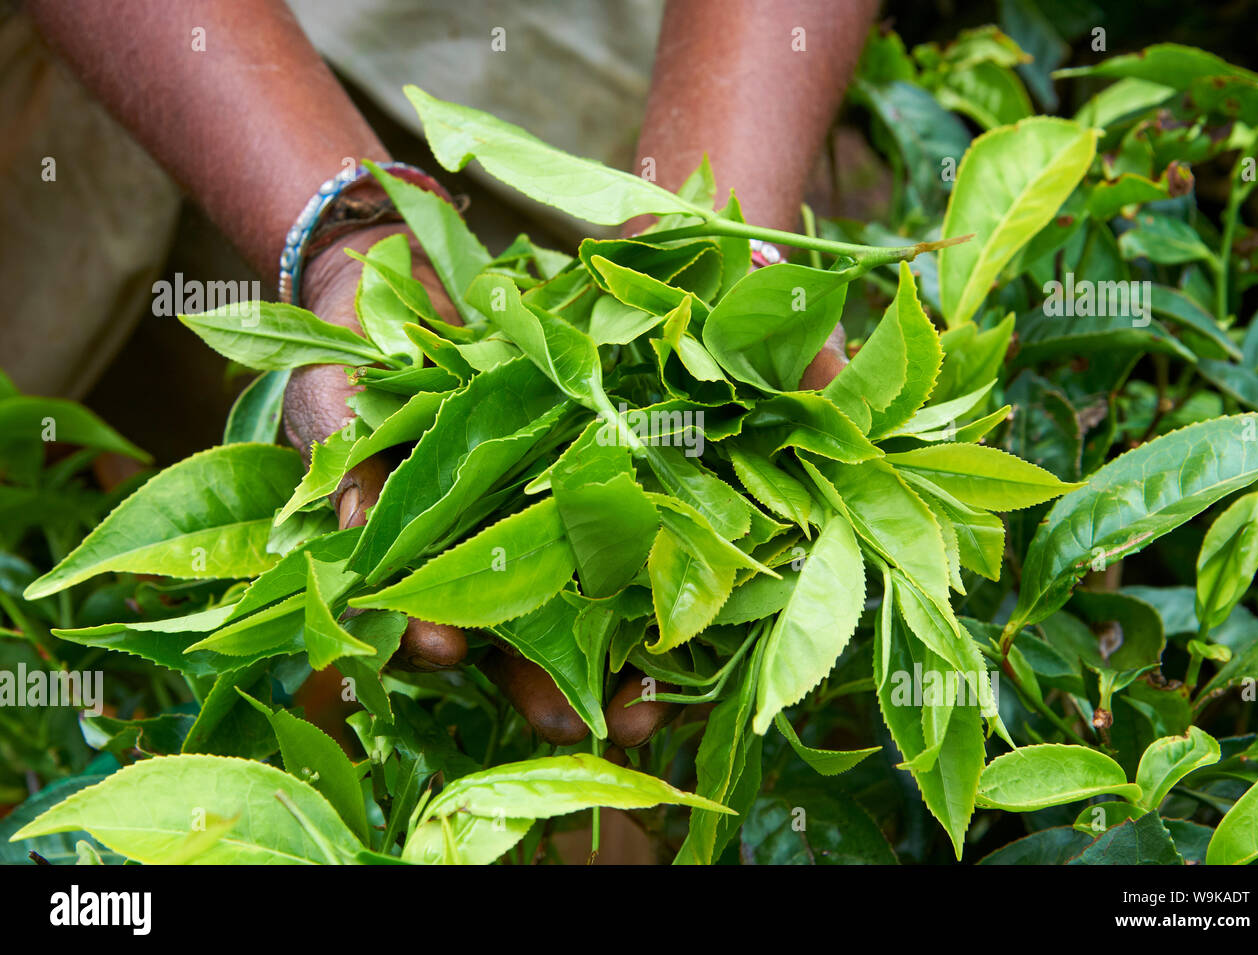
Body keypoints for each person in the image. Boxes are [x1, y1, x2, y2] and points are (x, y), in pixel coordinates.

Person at [19, 0, 875, 748]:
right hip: (175, 78)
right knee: (183, 463)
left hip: (607, 76)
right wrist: (344, 244)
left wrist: (720, 252)